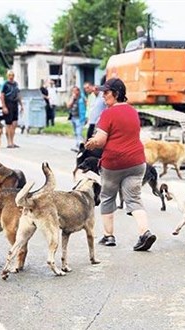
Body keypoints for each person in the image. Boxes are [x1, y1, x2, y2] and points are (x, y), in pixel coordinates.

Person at [84, 78, 157, 251]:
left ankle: (109, 236)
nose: (103, 97)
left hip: (114, 164)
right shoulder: (133, 111)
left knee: (108, 196)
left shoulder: (108, 114)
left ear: (116, 94)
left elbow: (101, 141)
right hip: (137, 162)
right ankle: (145, 233)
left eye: (106, 93)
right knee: (134, 198)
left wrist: (92, 142)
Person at [0, 70, 24, 148]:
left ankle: (12, 141)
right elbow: (2, 95)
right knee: (8, 124)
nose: (11, 76)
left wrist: (21, 105)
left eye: (12, 75)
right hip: (8, 104)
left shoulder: (16, 84)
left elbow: (18, 94)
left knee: (14, 124)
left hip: (15, 104)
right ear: (7, 76)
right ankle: (9, 142)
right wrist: (4, 106)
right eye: (10, 75)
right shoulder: (5, 84)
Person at [66, 85, 86, 152]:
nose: (74, 92)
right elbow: (68, 106)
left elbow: (86, 106)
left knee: (79, 132)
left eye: (75, 91)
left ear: (78, 91)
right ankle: (78, 145)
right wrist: (72, 98)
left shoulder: (82, 98)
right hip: (73, 117)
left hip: (79, 117)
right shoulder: (72, 98)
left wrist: (86, 117)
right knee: (75, 132)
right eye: (73, 91)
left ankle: (80, 147)